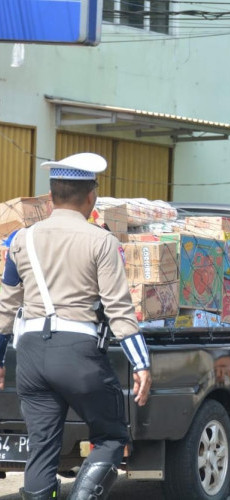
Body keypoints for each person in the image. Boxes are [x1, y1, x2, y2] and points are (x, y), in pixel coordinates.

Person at [0, 153, 152, 500]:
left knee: (41, 447)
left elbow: (5, 308)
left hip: (31, 356)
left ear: (51, 198)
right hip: (78, 355)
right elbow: (118, 309)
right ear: (91, 197)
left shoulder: (20, 240)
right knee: (112, 437)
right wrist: (141, 362)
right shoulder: (101, 241)